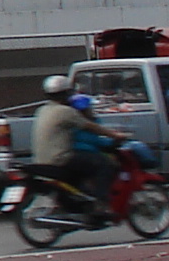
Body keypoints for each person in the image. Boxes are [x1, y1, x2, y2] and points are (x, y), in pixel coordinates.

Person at [34, 78, 119, 227]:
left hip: (41, 160)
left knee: (81, 171)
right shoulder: (66, 112)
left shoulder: (42, 110)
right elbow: (90, 127)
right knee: (104, 164)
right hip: (61, 158)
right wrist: (115, 135)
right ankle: (101, 204)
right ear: (67, 93)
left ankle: (80, 205)